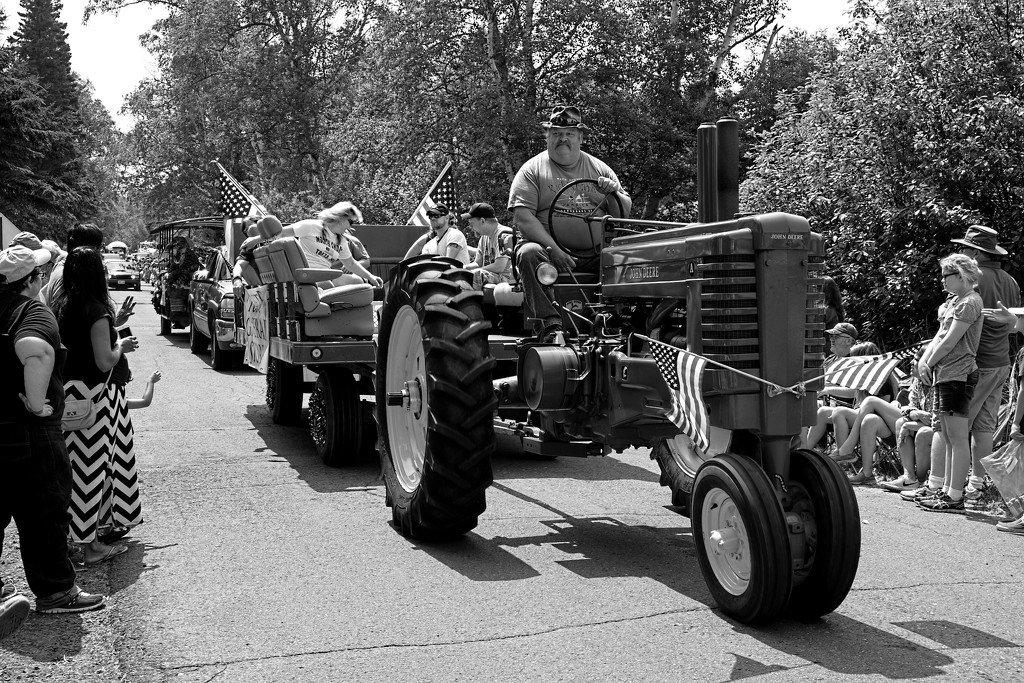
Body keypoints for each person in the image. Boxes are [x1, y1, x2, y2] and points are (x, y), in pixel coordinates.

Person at [0, 245, 106, 616]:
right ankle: (56, 593)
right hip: (27, 432)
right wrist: (34, 401)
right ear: (33, 279)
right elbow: (36, 351)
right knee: (43, 513)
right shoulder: (30, 310)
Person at [508, 105, 632, 340]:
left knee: (626, 256)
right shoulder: (531, 170)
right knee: (529, 253)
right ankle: (551, 325)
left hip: (593, 254)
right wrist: (554, 250)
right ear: (548, 136)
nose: (562, 139)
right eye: (556, 133)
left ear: (581, 137)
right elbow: (523, 218)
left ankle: (617, 321)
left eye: (569, 134)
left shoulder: (600, 169)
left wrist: (612, 193)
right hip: (547, 253)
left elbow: (620, 216)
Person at [52, 247, 143, 563]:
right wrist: (122, 344)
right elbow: (105, 361)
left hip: (69, 397)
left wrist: (113, 324)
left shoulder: (61, 306)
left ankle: (75, 542)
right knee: (95, 473)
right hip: (97, 401)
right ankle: (92, 547)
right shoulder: (96, 311)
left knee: (75, 473)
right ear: (98, 274)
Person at [949, 226, 1021, 507]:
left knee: (957, 427)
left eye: (966, 249)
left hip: (975, 362)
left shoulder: (974, 279)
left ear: (977, 253)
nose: (961, 254)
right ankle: (976, 487)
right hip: (1002, 361)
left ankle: (951, 489)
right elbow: (1014, 327)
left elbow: (955, 321)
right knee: (984, 428)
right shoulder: (1011, 281)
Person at [917, 253, 985, 512]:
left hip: (959, 373)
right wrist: (924, 361)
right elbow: (939, 336)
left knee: (957, 436)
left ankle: (955, 495)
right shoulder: (956, 301)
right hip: (946, 373)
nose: (942, 280)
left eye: (947, 275)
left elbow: (950, 340)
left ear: (961, 275)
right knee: (946, 433)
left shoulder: (970, 301)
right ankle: (946, 491)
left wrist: (928, 362)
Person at [274, 202, 384, 289]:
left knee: (357, 282)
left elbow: (350, 263)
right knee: (326, 285)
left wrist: (371, 277)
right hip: (306, 275)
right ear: (342, 219)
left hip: (326, 276)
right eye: (351, 222)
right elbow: (280, 233)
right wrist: (260, 239)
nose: (351, 227)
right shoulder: (311, 226)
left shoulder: (341, 240)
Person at [802, 322, 858, 449]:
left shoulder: (857, 360)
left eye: (836, 336)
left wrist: (828, 390)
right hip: (824, 401)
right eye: (831, 336)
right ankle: (799, 447)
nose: (831, 339)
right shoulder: (830, 359)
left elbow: (858, 391)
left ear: (849, 341)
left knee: (808, 404)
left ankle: (804, 450)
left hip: (845, 406)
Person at [462, 202, 513, 288]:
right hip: (491, 276)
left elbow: (499, 267)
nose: (470, 227)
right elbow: (478, 263)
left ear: (482, 221)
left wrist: (473, 271)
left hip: (507, 281)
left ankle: (469, 301)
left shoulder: (503, 235)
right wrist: (461, 269)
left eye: (472, 223)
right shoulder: (483, 238)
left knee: (476, 275)